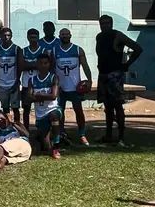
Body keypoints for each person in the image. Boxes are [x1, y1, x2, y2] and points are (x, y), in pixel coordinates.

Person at [96, 14, 143, 147]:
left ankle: (121, 136)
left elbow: (138, 49)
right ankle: (109, 135)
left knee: (117, 106)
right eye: (102, 23)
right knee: (107, 106)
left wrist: (127, 64)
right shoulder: (99, 37)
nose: (104, 26)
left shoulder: (118, 35)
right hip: (103, 74)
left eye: (107, 23)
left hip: (115, 75)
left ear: (111, 24)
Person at [55, 28, 92, 146]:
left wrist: (89, 80)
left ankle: (82, 134)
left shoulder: (77, 49)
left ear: (70, 35)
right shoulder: (54, 50)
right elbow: (51, 68)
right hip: (60, 88)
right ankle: (61, 133)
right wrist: (54, 84)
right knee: (60, 112)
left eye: (67, 34)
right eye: (62, 34)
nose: (65, 36)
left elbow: (85, 66)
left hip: (75, 87)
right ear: (59, 36)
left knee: (79, 111)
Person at [27, 54, 62, 159]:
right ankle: (48, 143)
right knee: (46, 147)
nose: (43, 65)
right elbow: (29, 97)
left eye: (45, 63)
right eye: (41, 63)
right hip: (40, 115)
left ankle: (57, 144)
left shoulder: (53, 77)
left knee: (54, 116)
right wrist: (43, 96)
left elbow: (53, 96)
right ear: (37, 64)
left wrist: (38, 95)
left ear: (49, 64)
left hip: (53, 109)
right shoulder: (32, 80)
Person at [0, 27, 21, 122]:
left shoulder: (16, 49)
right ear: (1, 36)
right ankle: (7, 126)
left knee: (15, 108)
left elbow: (20, 66)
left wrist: (17, 80)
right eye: (4, 35)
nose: (6, 37)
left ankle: (17, 126)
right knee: (5, 108)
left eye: (8, 35)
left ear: (11, 36)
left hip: (13, 82)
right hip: (1, 83)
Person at [20, 29, 42, 128]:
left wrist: (28, 64)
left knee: (40, 109)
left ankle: (41, 130)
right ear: (28, 37)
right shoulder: (23, 50)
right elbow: (21, 66)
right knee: (26, 109)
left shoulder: (43, 50)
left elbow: (43, 66)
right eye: (31, 37)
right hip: (26, 84)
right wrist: (35, 64)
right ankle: (26, 130)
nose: (33, 39)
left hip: (39, 84)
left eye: (35, 37)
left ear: (38, 37)